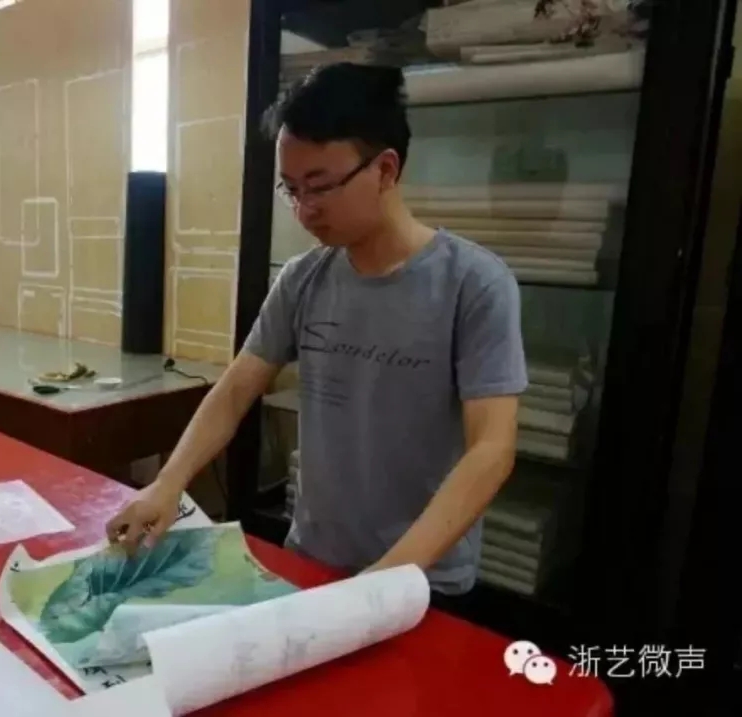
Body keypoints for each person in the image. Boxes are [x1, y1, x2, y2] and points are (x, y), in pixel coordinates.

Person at [106, 62, 527, 598]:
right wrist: (167, 484)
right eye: (292, 189)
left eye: (321, 187)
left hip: (420, 580)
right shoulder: (304, 278)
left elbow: (492, 449)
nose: (304, 211)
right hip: (311, 561)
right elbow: (235, 391)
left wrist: (388, 578)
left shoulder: (474, 284)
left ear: (386, 169)